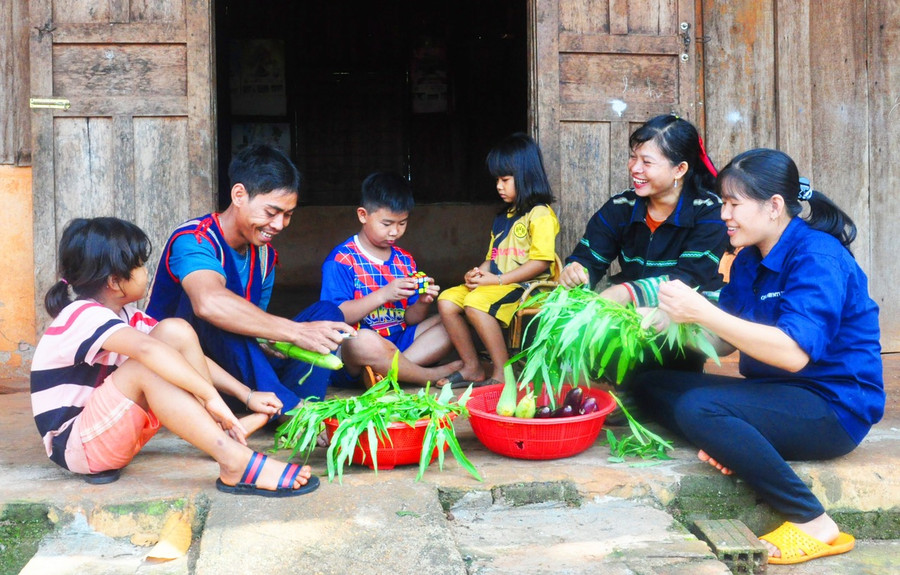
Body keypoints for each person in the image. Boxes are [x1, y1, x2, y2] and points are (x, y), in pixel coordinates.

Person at [634, 148, 884, 564]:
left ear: (773, 206)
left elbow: (792, 355)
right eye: (723, 204)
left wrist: (702, 310)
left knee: (700, 407)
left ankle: (813, 521)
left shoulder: (817, 256)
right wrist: (665, 324)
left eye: (734, 204)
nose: (724, 215)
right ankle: (736, 439)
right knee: (648, 383)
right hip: (777, 395)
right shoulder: (749, 259)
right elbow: (726, 341)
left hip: (834, 408)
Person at [31, 217, 318, 496]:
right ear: (116, 282)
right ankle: (233, 460)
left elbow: (178, 350)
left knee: (175, 330)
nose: (146, 270)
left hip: (110, 434)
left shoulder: (128, 316)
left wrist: (246, 395)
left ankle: (220, 435)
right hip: (78, 446)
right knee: (150, 365)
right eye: (140, 265)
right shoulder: (81, 314)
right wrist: (209, 396)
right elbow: (149, 352)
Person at [147, 144, 355, 411]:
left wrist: (273, 342)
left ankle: (304, 408)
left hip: (238, 372)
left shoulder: (265, 257)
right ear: (239, 195)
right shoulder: (194, 239)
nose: (279, 225)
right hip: (185, 372)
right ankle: (289, 409)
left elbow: (252, 327)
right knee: (217, 309)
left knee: (328, 313)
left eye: (288, 215)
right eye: (271, 212)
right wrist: (295, 332)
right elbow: (209, 304)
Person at [559, 113, 729, 374]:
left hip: (682, 328)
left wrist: (624, 293)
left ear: (680, 169)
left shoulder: (709, 212)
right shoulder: (621, 206)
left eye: (646, 162)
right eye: (633, 157)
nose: (634, 168)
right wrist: (577, 271)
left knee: (664, 389)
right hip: (628, 323)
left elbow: (688, 279)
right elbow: (590, 257)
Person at [436, 133, 559, 387]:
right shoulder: (504, 216)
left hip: (530, 288)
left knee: (475, 303)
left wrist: (498, 280)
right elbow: (492, 256)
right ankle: (472, 367)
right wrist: (477, 274)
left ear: (525, 176)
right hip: (499, 283)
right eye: (497, 180)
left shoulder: (540, 214)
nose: (499, 186)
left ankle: (502, 373)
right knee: (447, 300)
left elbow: (541, 262)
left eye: (505, 179)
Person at [320, 171, 461, 386]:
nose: (394, 231)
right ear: (362, 215)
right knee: (362, 341)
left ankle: (387, 373)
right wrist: (384, 294)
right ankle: (427, 376)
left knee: (452, 320)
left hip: (400, 344)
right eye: (386, 224)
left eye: (402, 223)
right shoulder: (342, 259)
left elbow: (410, 319)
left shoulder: (405, 260)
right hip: (357, 355)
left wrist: (423, 302)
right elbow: (337, 317)